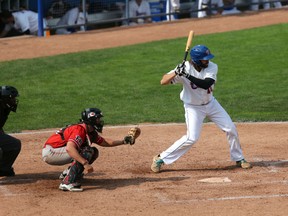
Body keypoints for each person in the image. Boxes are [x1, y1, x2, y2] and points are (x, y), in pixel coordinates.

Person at [150, 45, 252, 173]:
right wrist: (176, 72)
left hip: (211, 104)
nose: (207, 61)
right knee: (191, 138)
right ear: (197, 60)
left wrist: (186, 76)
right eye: (205, 59)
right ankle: (161, 158)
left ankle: (239, 158)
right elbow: (163, 81)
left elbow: (206, 84)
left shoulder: (212, 67)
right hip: (193, 108)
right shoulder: (184, 68)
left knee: (230, 128)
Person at [42, 108, 140, 192]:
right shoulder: (79, 130)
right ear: (91, 120)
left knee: (93, 151)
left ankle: (69, 174)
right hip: (51, 152)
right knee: (86, 151)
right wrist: (85, 164)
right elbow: (70, 148)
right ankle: (67, 182)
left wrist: (123, 141)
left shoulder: (90, 131)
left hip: (57, 151)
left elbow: (105, 142)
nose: (99, 121)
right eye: (97, 119)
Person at [0, 86, 21, 177]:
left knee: (11, 143)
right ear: (5, 98)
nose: (14, 100)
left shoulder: (3, 107)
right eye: (12, 98)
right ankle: (3, 169)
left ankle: (3, 169)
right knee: (13, 144)